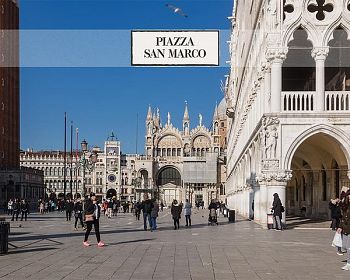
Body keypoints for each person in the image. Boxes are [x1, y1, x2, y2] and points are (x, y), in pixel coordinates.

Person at [338, 189, 350, 270]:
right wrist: (340, 226)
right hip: (345, 228)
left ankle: (349, 264)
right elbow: (343, 217)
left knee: (349, 247)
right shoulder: (346, 205)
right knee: (345, 246)